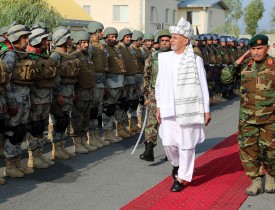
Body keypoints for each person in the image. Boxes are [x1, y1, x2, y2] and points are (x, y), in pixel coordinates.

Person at [155, 17, 211, 192]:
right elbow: (159, 83)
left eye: (174, 37)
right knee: (169, 144)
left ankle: (182, 178)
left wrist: (206, 110)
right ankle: (177, 164)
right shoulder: (164, 58)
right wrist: (158, 105)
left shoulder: (195, 60)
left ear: (185, 40)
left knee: (186, 144)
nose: (171, 40)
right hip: (168, 108)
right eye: (171, 37)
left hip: (188, 110)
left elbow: (202, 85)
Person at [221, 34, 275, 196]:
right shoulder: (245, 65)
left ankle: (271, 176)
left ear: (268, 48)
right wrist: (238, 61)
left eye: (259, 48)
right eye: (253, 49)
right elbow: (225, 78)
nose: (256, 52)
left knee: (272, 149)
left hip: (271, 118)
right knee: (248, 149)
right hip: (247, 117)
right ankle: (256, 180)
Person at [1, 24, 34, 177]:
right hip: (14, 99)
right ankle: (10, 165)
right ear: (15, 38)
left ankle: (18, 161)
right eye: (24, 38)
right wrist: (11, 103)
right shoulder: (10, 55)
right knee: (12, 132)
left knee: (21, 131)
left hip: (25, 98)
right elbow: (5, 81)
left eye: (27, 37)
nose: (27, 40)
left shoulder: (24, 54)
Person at [140, 29, 171, 162]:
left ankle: (171, 150)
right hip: (154, 93)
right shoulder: (153, 57)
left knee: (169, 122)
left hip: (171, 93)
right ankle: (149, 149)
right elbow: (146, 77)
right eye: (162, 41)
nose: (164, 43)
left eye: (167, 41)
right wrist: (146, 96)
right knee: (151, 121)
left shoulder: (176, 57)